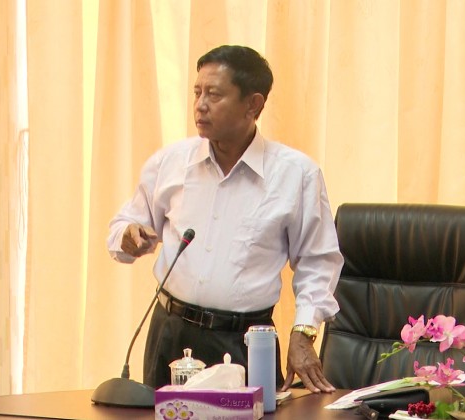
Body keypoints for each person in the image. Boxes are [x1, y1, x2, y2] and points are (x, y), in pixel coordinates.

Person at [107, 45, 343, 395]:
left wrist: (304, 332)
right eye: (197, 92)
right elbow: (125, 225)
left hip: (245, 342)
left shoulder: (296, 174)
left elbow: (318, 262)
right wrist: (128, 235)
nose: (200, 105)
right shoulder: (171, 162)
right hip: (170, 334)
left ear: (253, 105)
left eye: (214, 94)